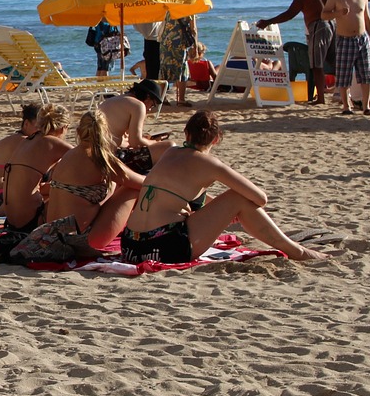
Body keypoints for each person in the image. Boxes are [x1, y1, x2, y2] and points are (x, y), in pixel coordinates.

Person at [120, 111, 329, 264]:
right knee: (237, 198)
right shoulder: (210, 164)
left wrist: (220, 211)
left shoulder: (169, 153)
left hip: (130, 246)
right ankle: (297, 251)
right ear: (216, 139)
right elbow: (260, 198)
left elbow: (183, 194)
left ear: (186, 133)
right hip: (164, 249)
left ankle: (293, 248)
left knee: (228, 203)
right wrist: (232, 210)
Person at [39, 110, 145, 252]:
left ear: (78, 131)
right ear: (105, 132)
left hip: (52, 237)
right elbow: (142, 183)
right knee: (131, 189)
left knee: (113, 183)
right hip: (81, 241)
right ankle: (145, 229)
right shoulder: (100, 159)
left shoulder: (68, 155)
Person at [255, 0, 335, 105]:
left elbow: (289, 14)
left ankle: (321, 98)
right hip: (334, 25)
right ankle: (346, 93)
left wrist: (268, 22)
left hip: (318, 26)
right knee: (335, 61)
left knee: (317, 64)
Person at [0, 103, 72, 233]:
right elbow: (86, 160)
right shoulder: (52, 142)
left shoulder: (27, 141)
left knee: (56, 187)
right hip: (31, 221)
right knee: (77, 192)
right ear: (64, 127)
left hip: (12, 221)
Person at [322, 0, 370, 115]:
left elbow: (367, 19)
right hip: (345, 39)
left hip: (362, 39)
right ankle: (346, 107)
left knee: (366, 74)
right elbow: (324, 15)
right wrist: (338, 13)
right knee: (344, 75)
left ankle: (367, 107)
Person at [97, 78, 173, 174]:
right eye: (152, 105)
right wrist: (155, 142)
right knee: (169, 146)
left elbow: (118, 137)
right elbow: (135, 142)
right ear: (148, 97)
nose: (149, 109)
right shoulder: (138, 105)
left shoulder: (112, 100)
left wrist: (146, 140)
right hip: (112, 158)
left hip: (98, 153)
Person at [0, 104, 41, 216]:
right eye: (38, 127)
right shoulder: (23, 142)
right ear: (26, 124)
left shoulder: (14, 139)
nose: (41, 132)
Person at [159, 15, 197, 107]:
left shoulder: (167, 6)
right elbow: (193, 29)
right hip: (180, 42)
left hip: (166, 40)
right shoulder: (189, 8)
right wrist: (195, 47)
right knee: (181, 68)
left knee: (165, 67)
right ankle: (181, 100)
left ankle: (163, 98)